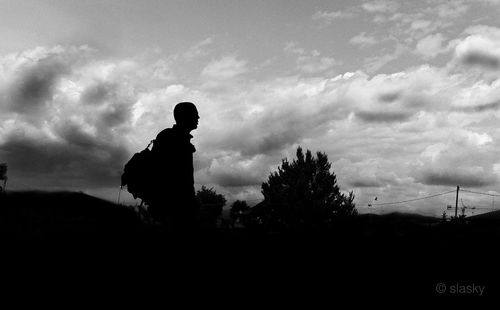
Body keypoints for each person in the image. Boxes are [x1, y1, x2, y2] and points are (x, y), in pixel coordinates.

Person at [149, 102, 200, 233]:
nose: (198, 117)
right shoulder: (172, 138)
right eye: (195, 114)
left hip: (177, 207)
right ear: (185, 116)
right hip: (173, 209)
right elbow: (174, 177)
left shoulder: (176, 138)